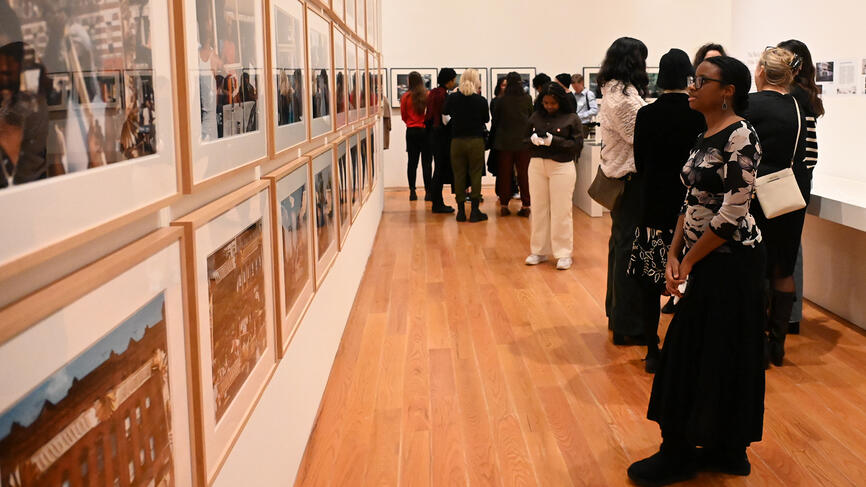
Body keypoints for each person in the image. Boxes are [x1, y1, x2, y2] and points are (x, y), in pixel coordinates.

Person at [628, 55, 765, 486]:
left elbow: (731, 213)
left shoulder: (742, 136)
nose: (692, 86)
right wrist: (672, 251)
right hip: (705, 260)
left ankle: (688, 450)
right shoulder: (706, 133)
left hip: (731, 264)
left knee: (699, 350)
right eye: (693, 79)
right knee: (709, 350)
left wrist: (688, 261)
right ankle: (719, 447)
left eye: (702, 80)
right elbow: (691, 202)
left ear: (728, 91)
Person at [627, 49, 706, 373]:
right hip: (688, 209)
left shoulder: (646, 114)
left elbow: (640, 162)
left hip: (653, 207)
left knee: (649, 283)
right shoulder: (698, 115)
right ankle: (686, 349)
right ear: (688, 75)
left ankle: (651, 349)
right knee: (690, 280)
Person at [745, 47, 809, 367]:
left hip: (753, 197)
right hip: (787, 196)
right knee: (783, 266)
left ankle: (754, 340)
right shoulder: (797, 107)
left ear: (760, 71)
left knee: (755, 267)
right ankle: (778, 342)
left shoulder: (748, 104)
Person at [597, 37, 650, 345]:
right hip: (629, 179)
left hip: (620, 177)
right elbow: (639, 137)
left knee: (620, 246)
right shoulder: (624, 96)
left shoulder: (613, 90)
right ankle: (627, 325)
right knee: (628, 249)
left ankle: (616, 312)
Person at [776, 39, 823, 335]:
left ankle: (786, 315)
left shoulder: (792, 97)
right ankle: (789, 315)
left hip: (787, 178)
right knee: (793, 247)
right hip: (801, 178)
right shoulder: (806, 96)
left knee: (785, 250)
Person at [523, 83, 583, 270]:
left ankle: (564, 253)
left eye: (552, 103)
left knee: (561, 210)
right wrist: (532, 140)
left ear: (560, 102)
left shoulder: (572, 118)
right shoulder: (535, 116)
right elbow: (523, 140)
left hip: (561, 167)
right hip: (537, 165)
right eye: (546, 103)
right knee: (539, 208)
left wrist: (553, 141)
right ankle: (539, 250)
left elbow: (576, 145)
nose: (549, 106)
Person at [443, 68, 489, 222]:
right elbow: (486, 119)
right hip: (475, 141)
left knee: (459, 174)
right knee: (475, 174)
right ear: (476, 81)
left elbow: (445, 112)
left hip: (457, 141)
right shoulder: (480, 100)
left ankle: (461, 211)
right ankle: (475, 211)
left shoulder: (453, 98)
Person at [492, 71, 533, 217]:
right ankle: (526, 205)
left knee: (504, 174)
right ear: (520, 83)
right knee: (524, 175)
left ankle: (504, 205)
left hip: (504, 143)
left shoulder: (500, 101)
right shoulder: (527, 99)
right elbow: (531, 118)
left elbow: (495, 122)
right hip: (523, 143)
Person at [426, 68, 457, 213]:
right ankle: (437, 204)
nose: (455, 82)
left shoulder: (433, 92)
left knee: (437, 170)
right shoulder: (442, 95)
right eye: (454, 79)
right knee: (439, 170)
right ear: (449, 80)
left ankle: (437, 202)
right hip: (440, 136)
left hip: (432, 134)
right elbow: (444, 117)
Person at [400, 71, 431, 201]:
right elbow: (430, 114)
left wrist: (411, 122)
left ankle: (412, 191)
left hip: (412, 131)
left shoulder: (406, 97)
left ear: (410, 81)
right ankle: (428, 191)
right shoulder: (427, 95)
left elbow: (403, 116)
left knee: (412, 163)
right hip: (425, 131)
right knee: (427, 162)